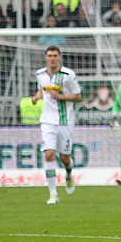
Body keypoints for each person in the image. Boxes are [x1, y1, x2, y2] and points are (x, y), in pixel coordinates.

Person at [31, 46, 82, 204]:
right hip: (47, 121)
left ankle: (68, 174)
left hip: (65, 121)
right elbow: (42, 90)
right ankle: (53, 194)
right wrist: (37, 97)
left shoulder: (68, 75)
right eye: (49, 56)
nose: (52, 58)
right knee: (49, 154)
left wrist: (60, 97)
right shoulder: (40, 74)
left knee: (65, 158)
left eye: (55, 55)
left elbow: (78, 96)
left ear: (60, 57)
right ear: (45, 58)